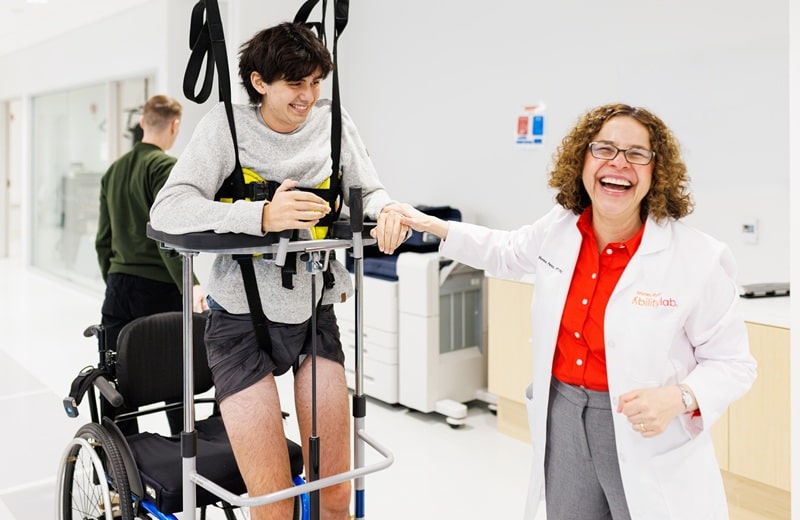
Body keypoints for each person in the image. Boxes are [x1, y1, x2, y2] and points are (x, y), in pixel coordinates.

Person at [394, 103, 757, 520]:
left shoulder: (697, 258)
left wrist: (680, 398)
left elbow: (734, 364)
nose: (618, 164)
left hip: (643, 428)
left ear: (657, 173)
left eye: (637, 154)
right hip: (563, 416)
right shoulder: (560, 227)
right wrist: (430, 224)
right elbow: (507, 252)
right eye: (604, 149)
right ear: (583, 160)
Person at [149, 23, 409, 520]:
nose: (308, 96)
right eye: (295, 83)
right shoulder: (226, 126)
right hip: (240, 324)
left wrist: (388, 210)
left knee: (334, 492)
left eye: (315, 82)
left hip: (315, 314)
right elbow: (168, 209)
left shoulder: (335, 123)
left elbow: (371, 191)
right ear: (260, 82)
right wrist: (260, 216)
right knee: (274, 503)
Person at [96, 94, 207, 435]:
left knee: (116, 376)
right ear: (175, 126)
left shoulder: (113, 171)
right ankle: (182, 449)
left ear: (143, 122)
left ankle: (119, 461)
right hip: (159, 289)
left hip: (118, 288)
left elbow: (103, 240)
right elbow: (168, 235)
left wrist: (115, 279)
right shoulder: (164, 168)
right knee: (175, 373)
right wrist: (190, 285)